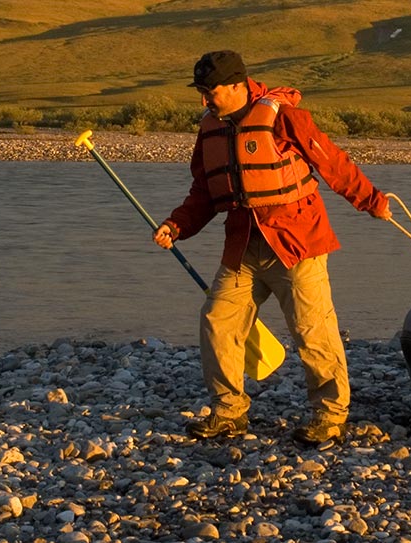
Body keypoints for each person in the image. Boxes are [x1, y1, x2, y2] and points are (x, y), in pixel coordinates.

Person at [153, 50, 391, 445]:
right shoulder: (210, 128)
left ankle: (330, 418)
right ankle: (229, 412)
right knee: (217, 321)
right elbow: (205, 191)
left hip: (297, 242)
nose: (203, 100)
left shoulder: (283, 117)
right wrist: (177, 224)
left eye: (209, 91)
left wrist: (372, 201)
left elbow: (332, 163)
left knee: (312, 331)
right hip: (242, 245)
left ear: (236, 85)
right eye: (200, 91)